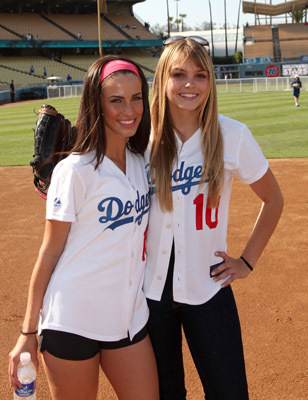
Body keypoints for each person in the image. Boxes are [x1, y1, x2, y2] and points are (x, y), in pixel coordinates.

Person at [8, 55, 159, 400]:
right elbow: (49, 252)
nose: (129, 110)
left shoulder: (140, 163)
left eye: (136, 98)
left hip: (128, 320)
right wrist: (27, 332)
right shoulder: (75, 170)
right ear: (97, 104)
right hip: (72, 320)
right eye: (116, 100)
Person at [145, 36, 284, 399]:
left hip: (208, 285)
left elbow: (273, 199)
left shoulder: (232, 134)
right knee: (166, 393)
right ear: (162, 79)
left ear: (211, 82)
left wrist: (247, 262)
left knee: (229, 392)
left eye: (200, 75)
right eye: (179, 74)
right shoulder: (140, 138)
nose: (190, 84)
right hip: (149, 294)